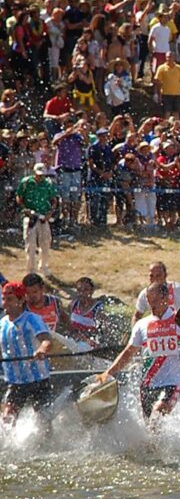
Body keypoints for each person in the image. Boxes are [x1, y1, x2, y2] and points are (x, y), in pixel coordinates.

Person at [99, 282, 180, 423]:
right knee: (150, 428)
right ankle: (154, 445)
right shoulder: (142, 325)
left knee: (157, 414)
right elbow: (128, 353)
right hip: (147, 385)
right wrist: (108, 373)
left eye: (154, 300)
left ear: (165, 298)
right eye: (148, 300)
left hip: (172, 384)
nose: (151, 304)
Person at [0, 280, 58, 425]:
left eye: (9, 299)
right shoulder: (2, 324)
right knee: (7, 418)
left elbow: (47, 341)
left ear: (21, 300)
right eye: (3, 298)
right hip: (15, 381)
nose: (4, 303)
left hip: (38, 380)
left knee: (43, 421)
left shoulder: (32, 319)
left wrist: (41, 350)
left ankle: (47, 445)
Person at [16, 163, 58, 277]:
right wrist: (25, 209)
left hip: (44, 216)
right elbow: (19, 197)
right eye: (38, 175)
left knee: (46, 242)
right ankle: (31, 270)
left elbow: (54, 200)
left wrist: (50, 213)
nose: (40, 177)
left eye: (42, 175)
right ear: (34, 172)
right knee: (30, 244)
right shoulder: (26, 182)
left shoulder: (48, 183)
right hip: (30, 216)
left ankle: (43, 267)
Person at [66, 276, 109, 347]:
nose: (82, 293)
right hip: (73, 340)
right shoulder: (73, 304)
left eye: (85, 290)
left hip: (89, 344)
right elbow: (67, 324)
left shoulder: (98, 309)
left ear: (92, 291)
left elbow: (106, 331)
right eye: (79, 290)